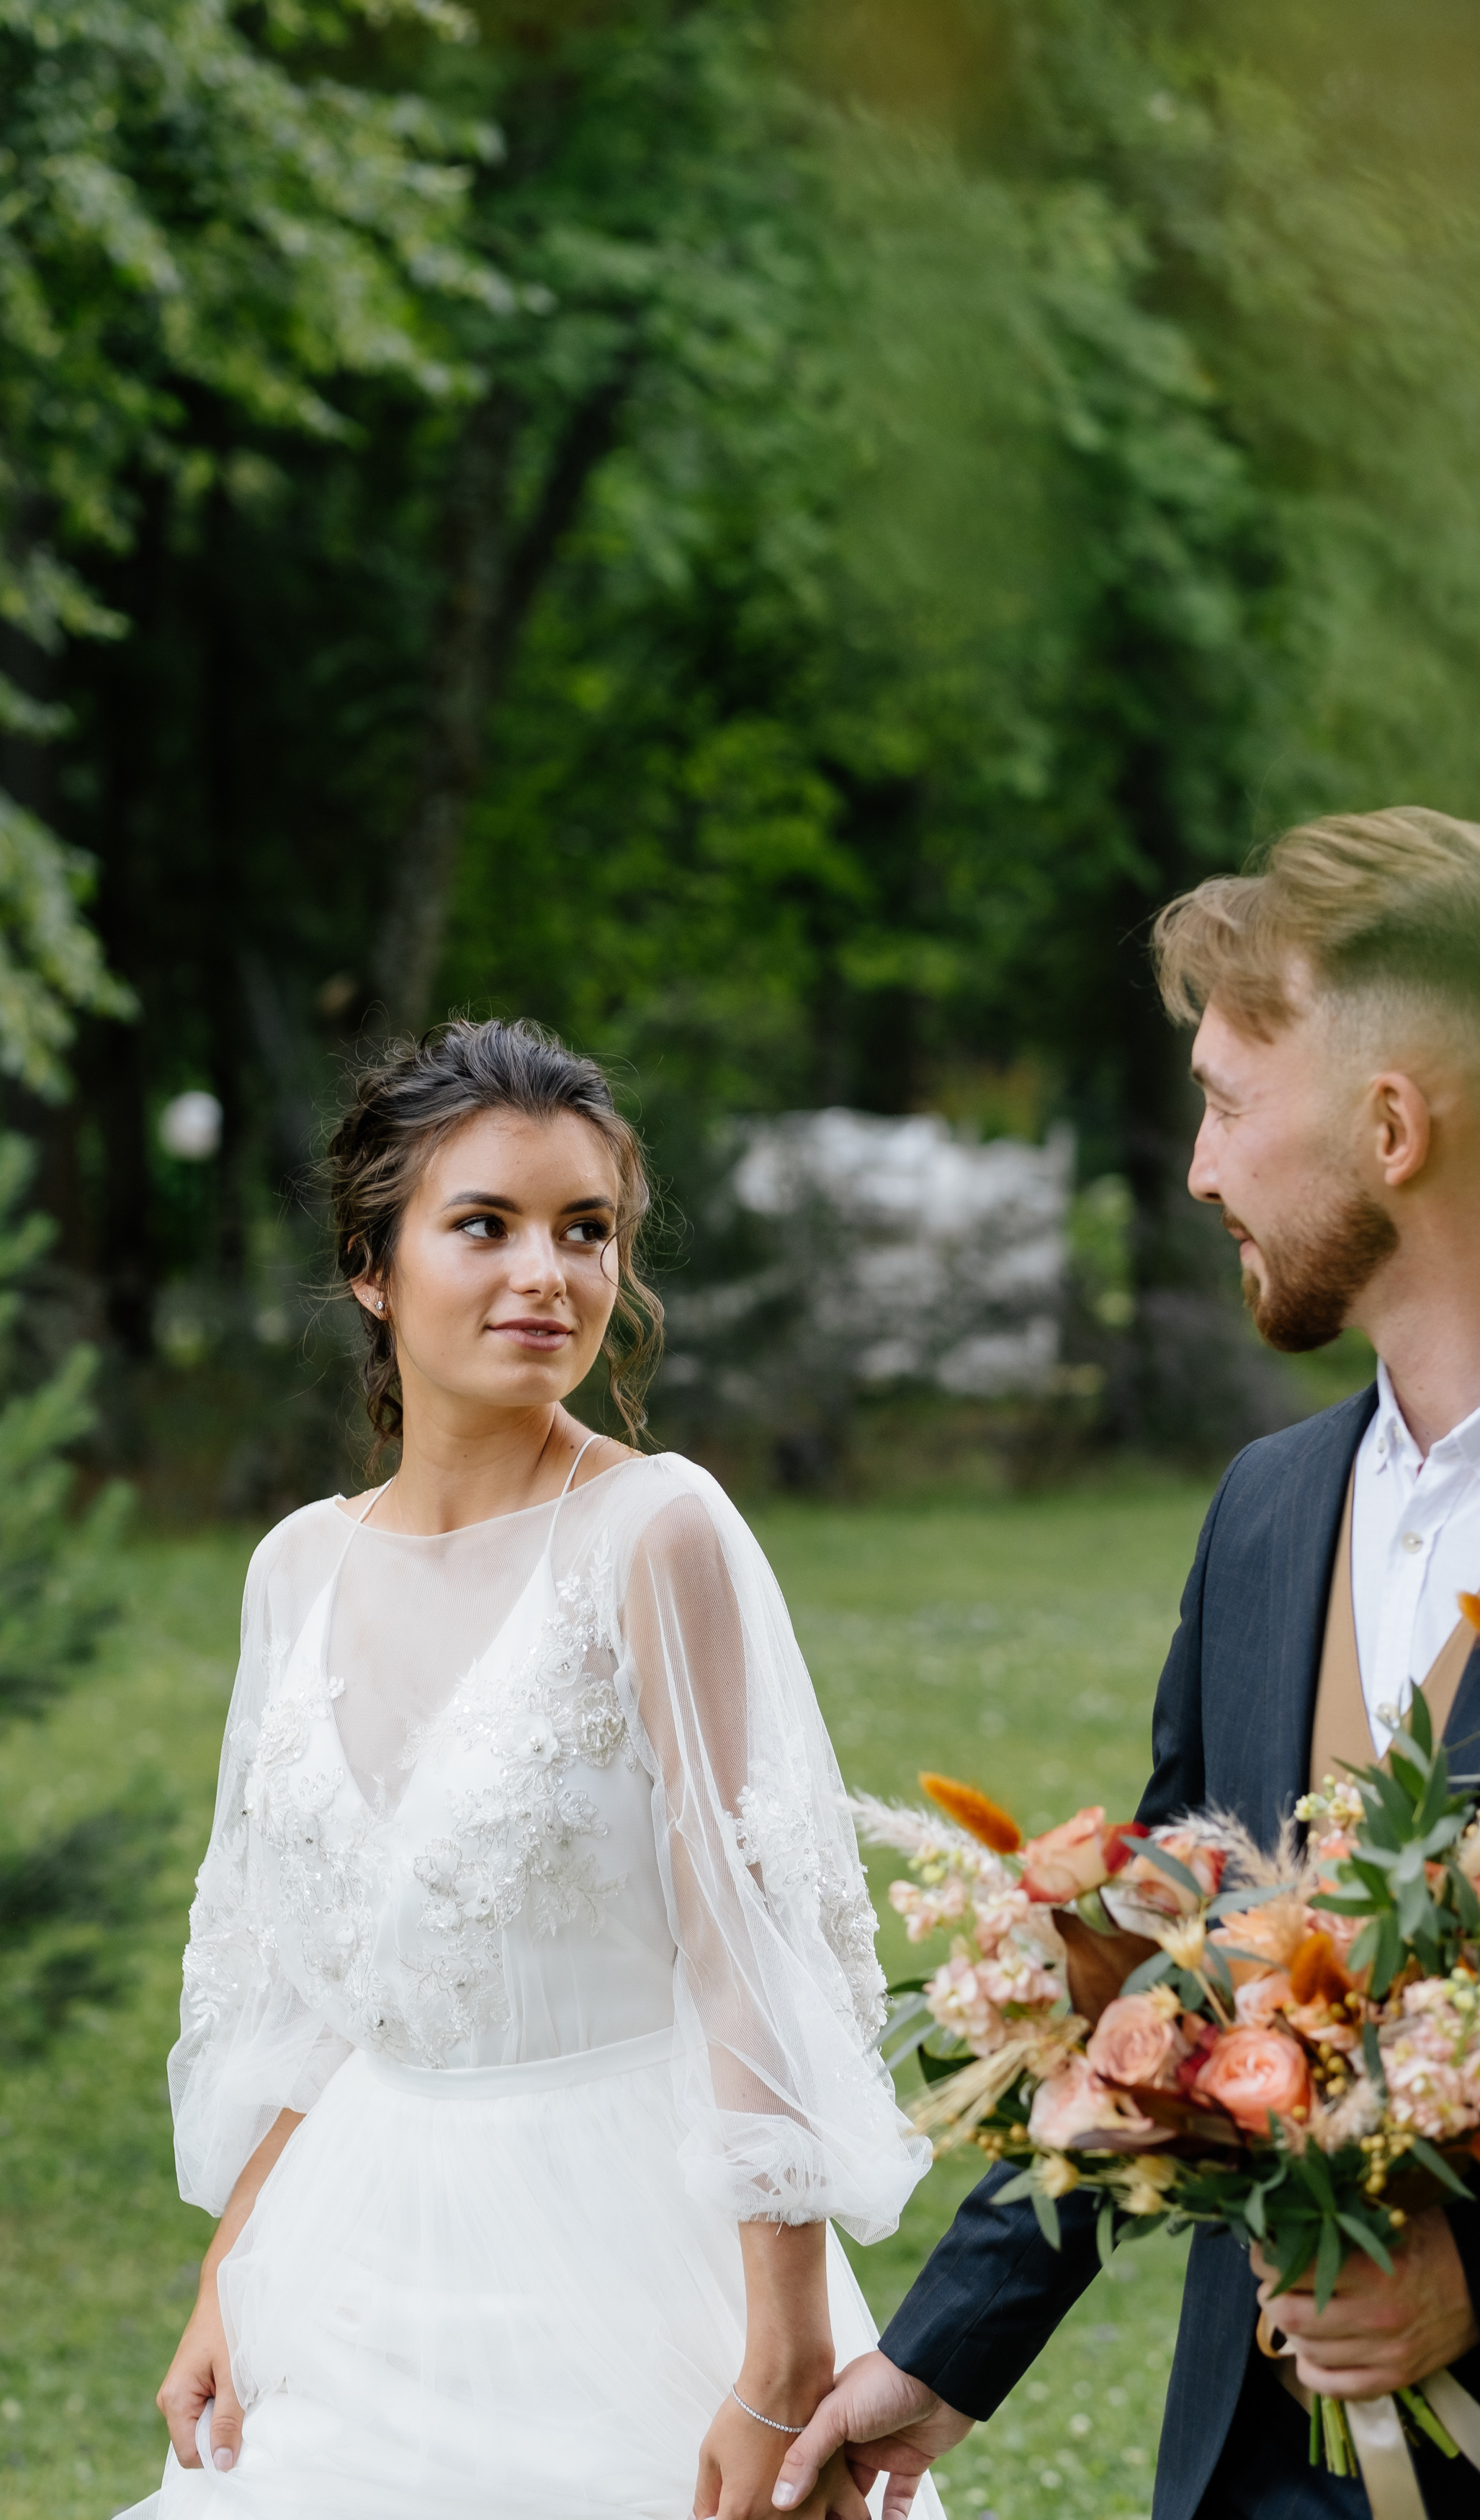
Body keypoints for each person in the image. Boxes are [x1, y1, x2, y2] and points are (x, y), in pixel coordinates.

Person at [773, 808, 1480, 2520]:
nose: (1202, 1170)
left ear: (1391, 1126)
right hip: (1253, 2473)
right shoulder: (1267, 1512)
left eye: (1226, 1103)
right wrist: (941, 2354)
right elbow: (1161, 1968)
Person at [120, 1019, 941, 2520]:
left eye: (585, 1229)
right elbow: (312, 1994)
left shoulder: (654, 1534)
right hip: (350, 2263)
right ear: (372, 1269)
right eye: (484, 1225)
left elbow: (750, 1963)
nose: (546, 1274)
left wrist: (783, 2355)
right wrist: (228, 2273)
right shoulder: (297, 1566)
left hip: (626, 2254)